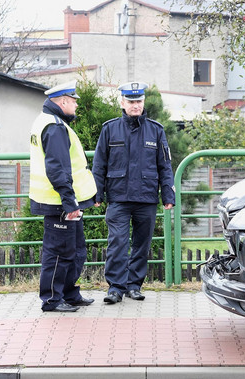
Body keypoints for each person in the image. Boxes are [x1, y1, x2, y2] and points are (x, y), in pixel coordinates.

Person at [92, 81, 175, 304]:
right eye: (131, 101)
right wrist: (97, 194)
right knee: (117, 242)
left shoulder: (156, 130)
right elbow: (99, 164)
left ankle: (134, 285)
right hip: (118, 197)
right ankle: (115, 288)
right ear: (122, 102)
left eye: (139, 101)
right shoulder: (110, 129)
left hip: (146, 198)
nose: (135, 105)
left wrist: (168, 195)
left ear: (143, 102)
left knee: (142, 243)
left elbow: (165, 165)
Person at [29, 80, 97, 312]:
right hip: (58, 202)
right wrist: (69, 202)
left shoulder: (49, 121)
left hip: (62, 201)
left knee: (75, 251)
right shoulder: (55, 126)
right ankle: (52, 300)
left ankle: (69, 294)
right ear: (64, 101)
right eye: (74, 101)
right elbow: (58, 169)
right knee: (59, 253)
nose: (77, 105)